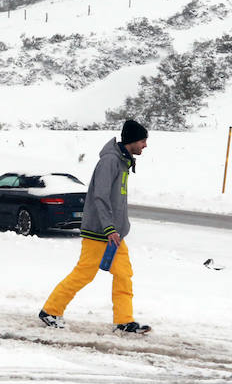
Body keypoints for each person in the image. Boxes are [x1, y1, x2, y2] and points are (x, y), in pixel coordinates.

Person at [38, 119, 151, 334]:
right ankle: (50, 311)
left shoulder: (122, 162)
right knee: (84, 274)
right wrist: (109, 227)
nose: (145, 145)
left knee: (124, 274)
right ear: (132, 141)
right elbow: (100, 197)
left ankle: (124, 321)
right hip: (100, 232)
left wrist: (118, 228)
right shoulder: (110, 161)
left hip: (114, 234)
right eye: (143, 140)